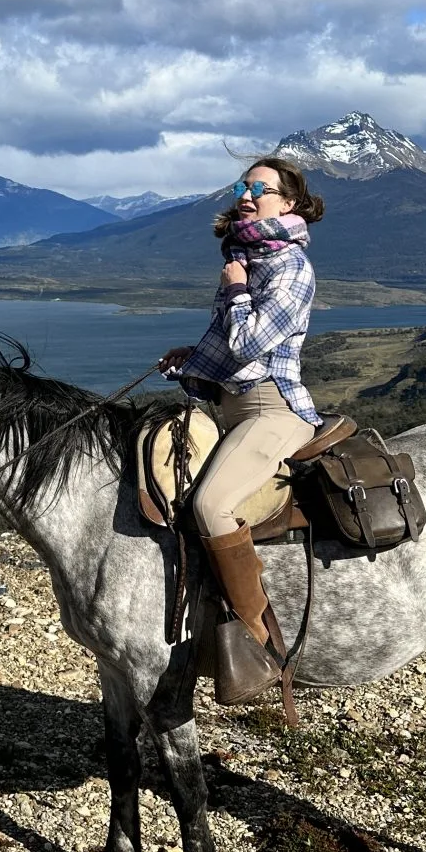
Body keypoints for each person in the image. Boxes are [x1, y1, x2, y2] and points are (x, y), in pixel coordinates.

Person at [157, 156, 324, 702]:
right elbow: (232, 346)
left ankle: (256, 647)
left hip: (272, 411)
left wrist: (234, 290)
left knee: (210, 505)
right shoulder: (248, 256)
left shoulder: (290, 266)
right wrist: (192, 356)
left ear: (291, 202)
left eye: (262, 187)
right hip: (231, 406)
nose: (247, 194)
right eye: (243, 185)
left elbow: (251, 345)